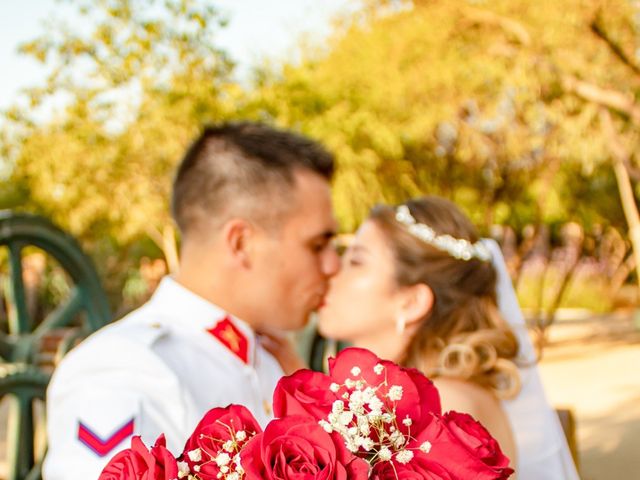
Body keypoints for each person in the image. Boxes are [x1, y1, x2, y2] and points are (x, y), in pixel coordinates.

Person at [43, 122, 340, 479]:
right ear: (241, 243)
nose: (333, 265)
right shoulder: (124, 367)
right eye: (317, 245)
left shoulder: (269, 356)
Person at [310, 196, 579, 479]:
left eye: (355, 261)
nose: (331, 271)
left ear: (411, 302)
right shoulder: (425, 396)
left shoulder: (445, 409)